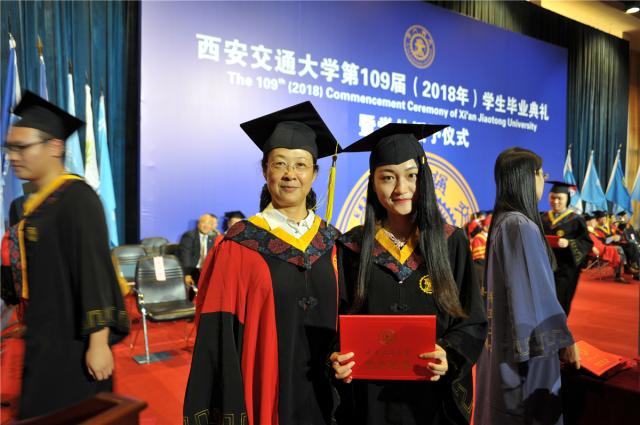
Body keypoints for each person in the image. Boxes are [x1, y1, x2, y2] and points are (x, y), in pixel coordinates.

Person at [183, 101, 343, 425]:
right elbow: (217, 333)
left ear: (314, 173)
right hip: (266, 394)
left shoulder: (333, 242)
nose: (290, 174)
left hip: (328, 391)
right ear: (265, 170)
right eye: (279, 163)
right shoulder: (239, 244)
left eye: (300, 165)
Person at [331, 124, 487, 425]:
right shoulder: (352, 247)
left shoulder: (450, 242)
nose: (401, 188)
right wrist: (337, 355)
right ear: (373, 183)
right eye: (387, 177)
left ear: (423, 178)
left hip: (431, 396)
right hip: (370, 398)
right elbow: (339, 318)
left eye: (411, 175)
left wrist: (449, 354)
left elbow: (472, 320)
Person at [3, 91, 129, 419]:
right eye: (9, 148)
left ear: (55, 146)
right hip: (44, 336)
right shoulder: (34, 205)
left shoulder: (78, 199)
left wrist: (98, 343)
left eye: (21, 147)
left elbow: (94, 271)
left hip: (73, 343)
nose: (13, 156)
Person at [475, 147, 580, 425]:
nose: (543, 181)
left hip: (500, 346)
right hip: (523, 354)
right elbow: (533, 298)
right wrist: (563, 340)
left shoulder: (504, 220)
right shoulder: (520, 225)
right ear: (527, 177)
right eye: (541, 174)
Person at [540, 181, 593, 315]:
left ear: (567, 199)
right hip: (545, 267)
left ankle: (559, 325)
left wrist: (569, 243)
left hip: (566, 268)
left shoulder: (576, 219)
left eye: (559, 198)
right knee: (542, 300)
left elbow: (586, 242)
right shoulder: (543, 218)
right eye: (552, 198)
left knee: (561, 299)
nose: (555, 202)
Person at [584, 213, 631, 282]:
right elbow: (600, 241)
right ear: (597, 220)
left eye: (605, 218)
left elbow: (617, 234)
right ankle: (624, 269)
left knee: (627, 247)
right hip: (599, 249)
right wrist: (612, 238)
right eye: (602, 218)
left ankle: (621, 273)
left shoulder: (609, 226)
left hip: (606, 246)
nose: (604, 220)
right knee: (619, 250)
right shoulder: (594, 230)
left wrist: (617, 237)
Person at [178, 213, 219, 287]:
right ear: (198, 224)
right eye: (204, 223)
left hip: (207, 271)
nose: (206, 226)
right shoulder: (189, 236)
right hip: (193, 270)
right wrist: (187, 274)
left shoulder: (213, 237)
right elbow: (185, 256)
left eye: (209, 224)